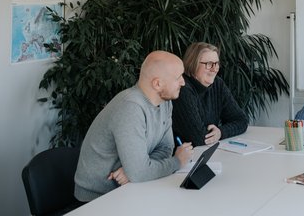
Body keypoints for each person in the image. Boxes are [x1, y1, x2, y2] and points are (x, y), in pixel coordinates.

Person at [74, 51, 194, 202]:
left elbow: (165, 148)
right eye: (178, 78)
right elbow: (139, 173)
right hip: (98, 198)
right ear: (157, 84)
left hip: (129, 189)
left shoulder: (165, 102)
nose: (183, 82)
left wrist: (136, 170)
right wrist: (177, 161)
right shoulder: (130, 108)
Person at [171, 42, 248, 146]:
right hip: (186, 157)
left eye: (216, 63)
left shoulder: (217, 84)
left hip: (208, 152)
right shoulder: (182, 88)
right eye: (209, 64)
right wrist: (213, 135)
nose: (214, 69)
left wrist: (220, 132)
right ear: (192, 63)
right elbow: (199, 138)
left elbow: (241, 120)